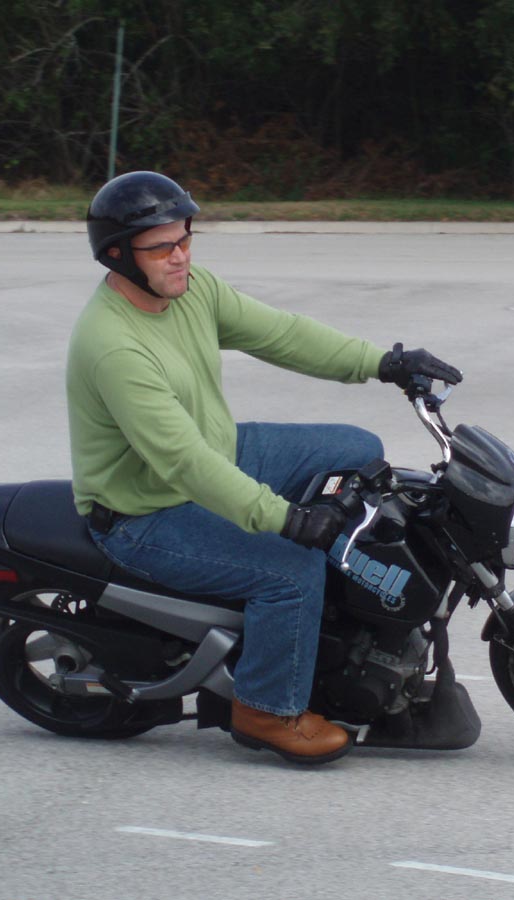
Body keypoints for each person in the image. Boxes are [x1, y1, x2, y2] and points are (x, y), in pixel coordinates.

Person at [67, 170, 461, 765]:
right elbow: (185, 464)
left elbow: (281, 334)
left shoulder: (191, 290)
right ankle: (266, 708)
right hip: (146, 510)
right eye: (161, 247)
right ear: (119, 256)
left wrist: (382, 362)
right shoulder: (114, 346)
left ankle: (335, 618)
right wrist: (286, 521)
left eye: (185, 239)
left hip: (218, 451)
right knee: (291, 570)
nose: (180, 256)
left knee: (356, 448)